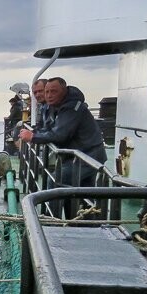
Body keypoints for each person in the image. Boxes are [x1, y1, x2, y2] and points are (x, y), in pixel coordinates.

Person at [18, 77, 107, 215]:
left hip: (88, 156)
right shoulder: (55, 106)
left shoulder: (72, 107)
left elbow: (60, 134)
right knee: (81, 192)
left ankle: (52, 221)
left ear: (65, 90)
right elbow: (48, 127)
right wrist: (35, 132)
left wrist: (33, 137)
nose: (48, 95)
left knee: (56, 181)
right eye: (46, 92)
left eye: (53, 91)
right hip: (78, 156)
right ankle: (82, 222)